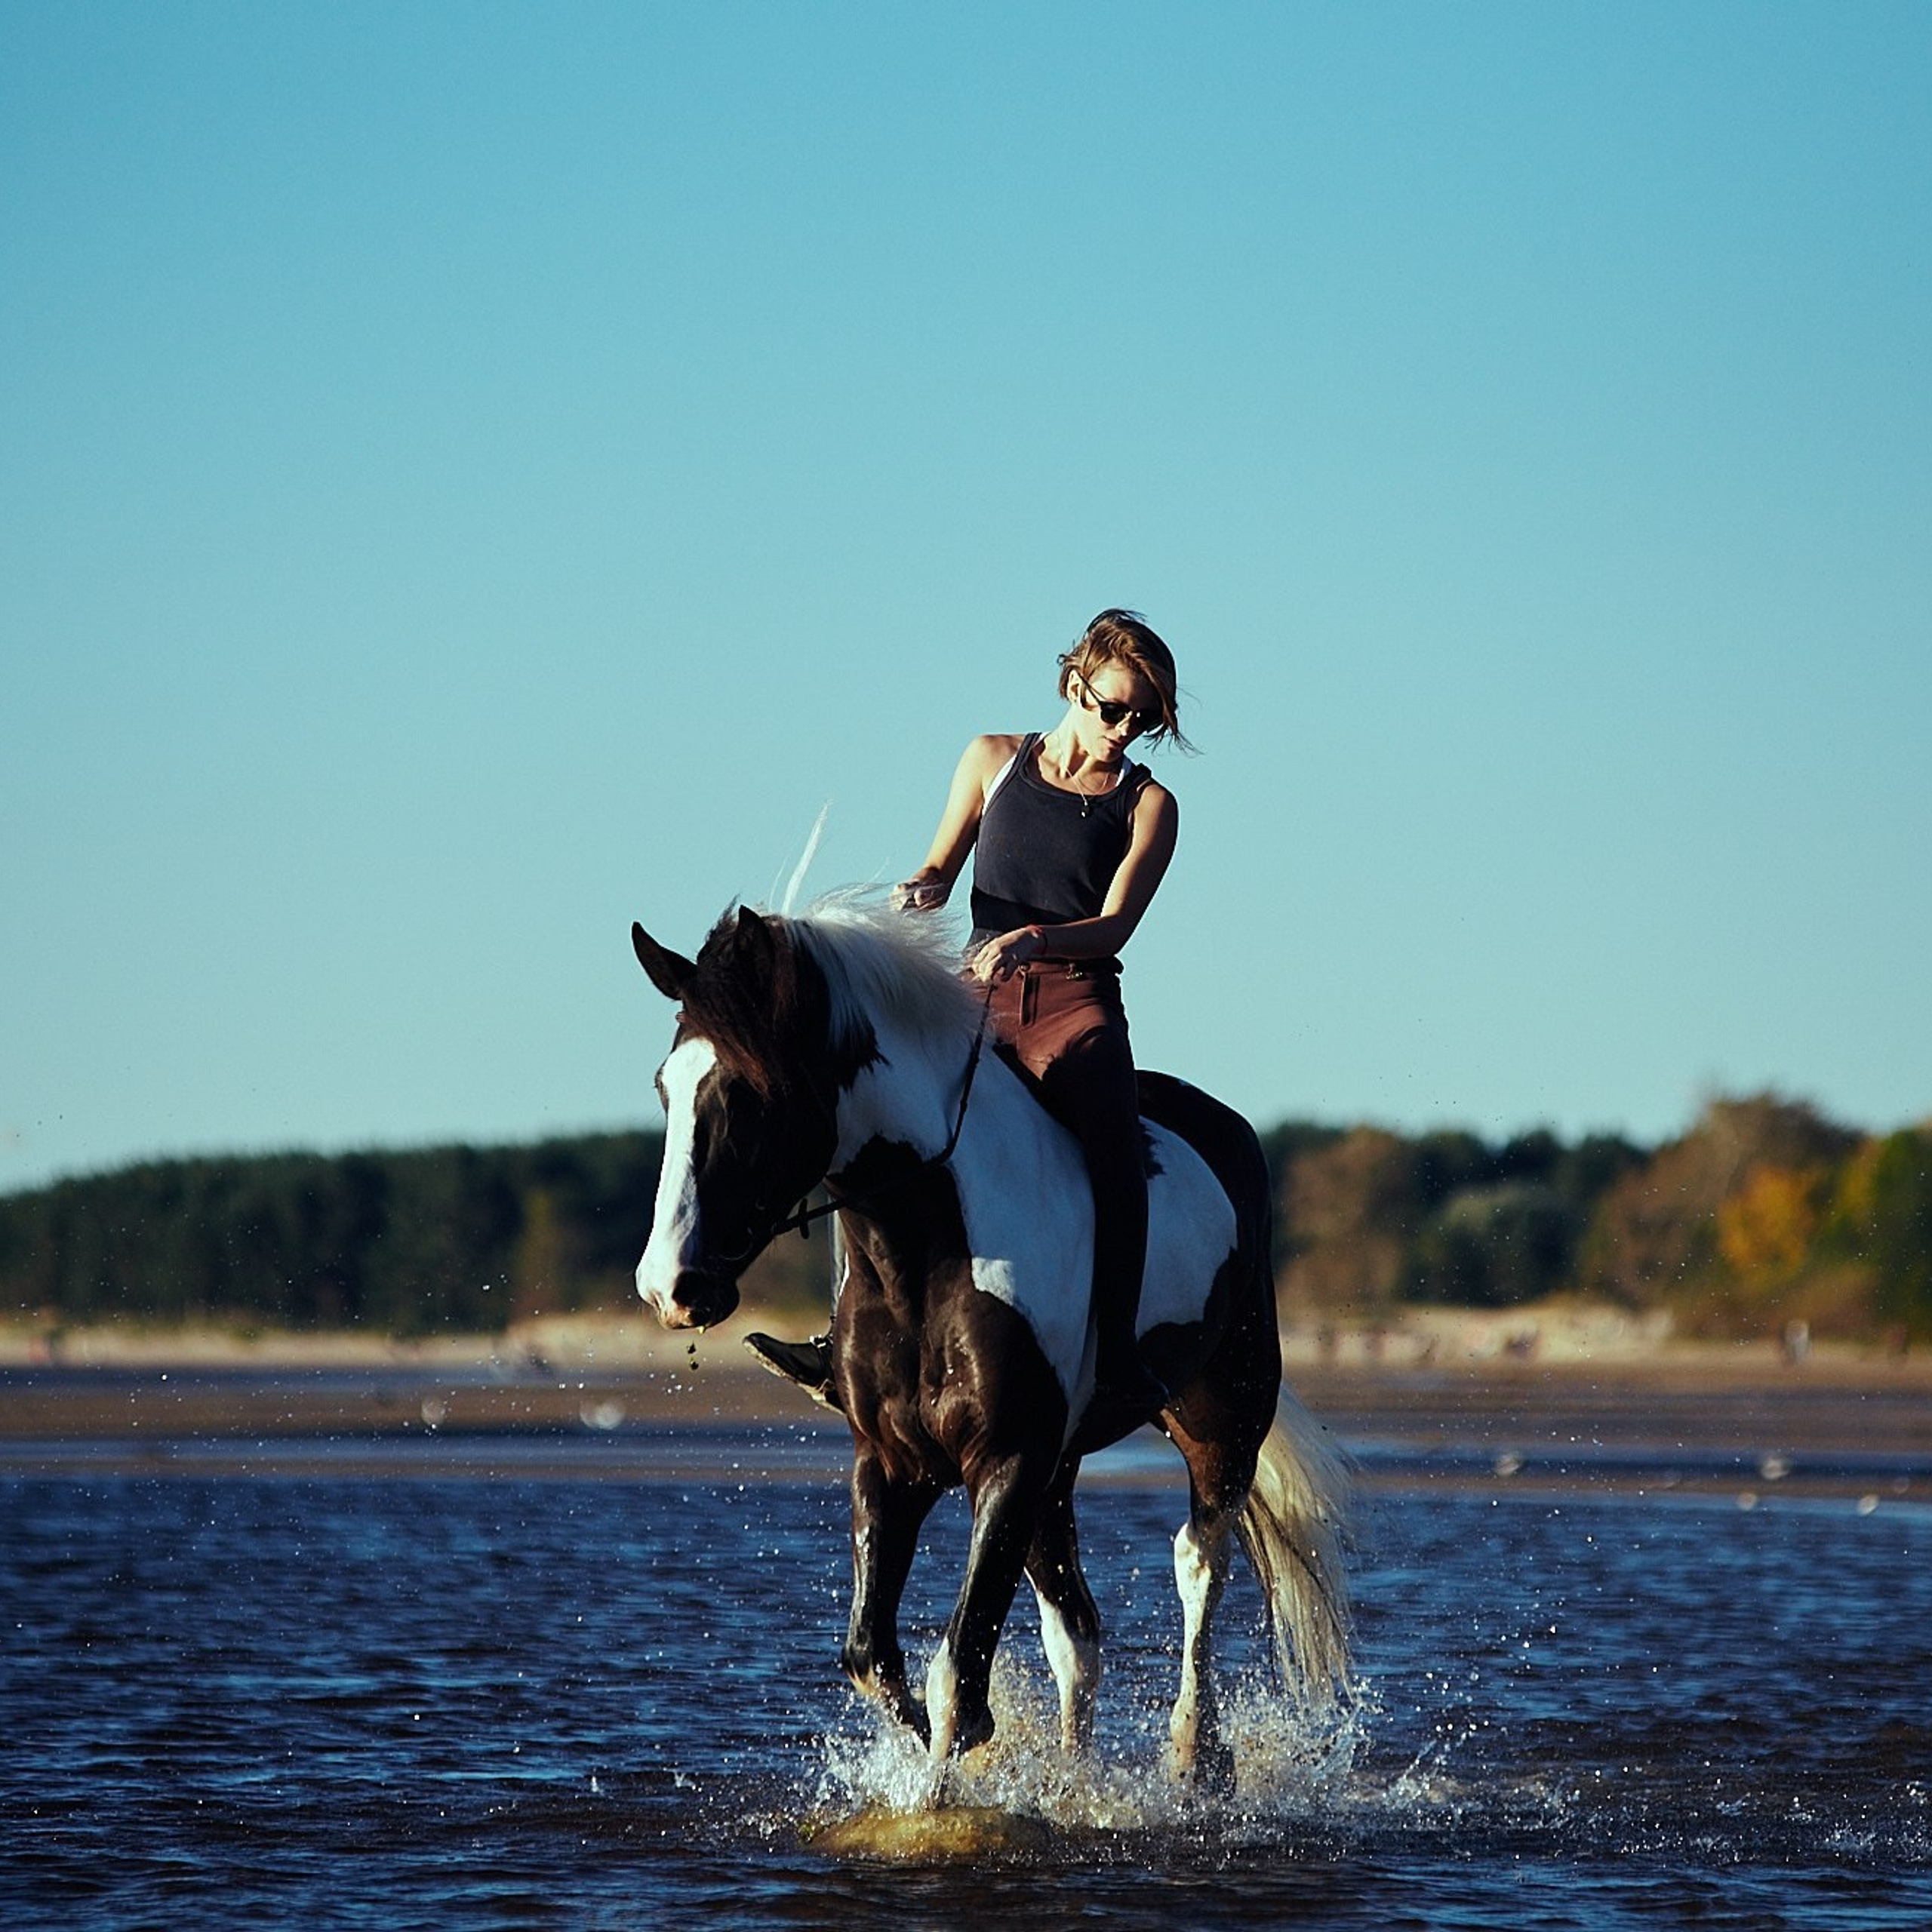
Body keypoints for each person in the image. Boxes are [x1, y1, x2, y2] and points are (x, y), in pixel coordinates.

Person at [748, 608, 1192, 1415]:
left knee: (1116, 1160)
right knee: (870, 1130)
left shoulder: (1149, 806)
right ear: (1072, 684)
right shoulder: (992, 759)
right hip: (973, 1002)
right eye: (1111, 707)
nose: (1123, 729)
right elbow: (940, 866)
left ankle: (1119, 1352)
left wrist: (1035, 939)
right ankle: (841, 1334)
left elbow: (1117, 924)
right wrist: (920, 887)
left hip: (1075, 1008)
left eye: (1143, 719)